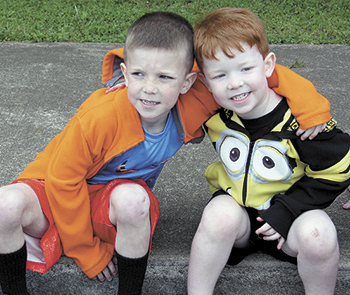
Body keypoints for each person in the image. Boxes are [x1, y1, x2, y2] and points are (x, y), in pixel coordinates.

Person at [0, 10, 332, 295]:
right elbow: (62, 179)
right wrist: (85, 251)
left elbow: (254, 71)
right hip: (52, 196)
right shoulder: (101, 115)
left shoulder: (194, 100)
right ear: (126, 72)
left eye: (164, 77)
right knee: (4, 205)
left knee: (134, 200)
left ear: (188, 82)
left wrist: (312, 108)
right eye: (139, 75)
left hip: (111, 204)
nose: (149, 88)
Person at [187, 7, 350, 295]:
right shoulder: (215, 115)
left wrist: (288, 211)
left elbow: (341, 165)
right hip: (241, 220)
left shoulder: (300, 122)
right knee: (217, 216)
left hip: (293, 221)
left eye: (245, 68)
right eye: (220, 75)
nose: (235, 82)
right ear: (205, 81)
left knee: (320, 235)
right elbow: (161, 79)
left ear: (267, 65)